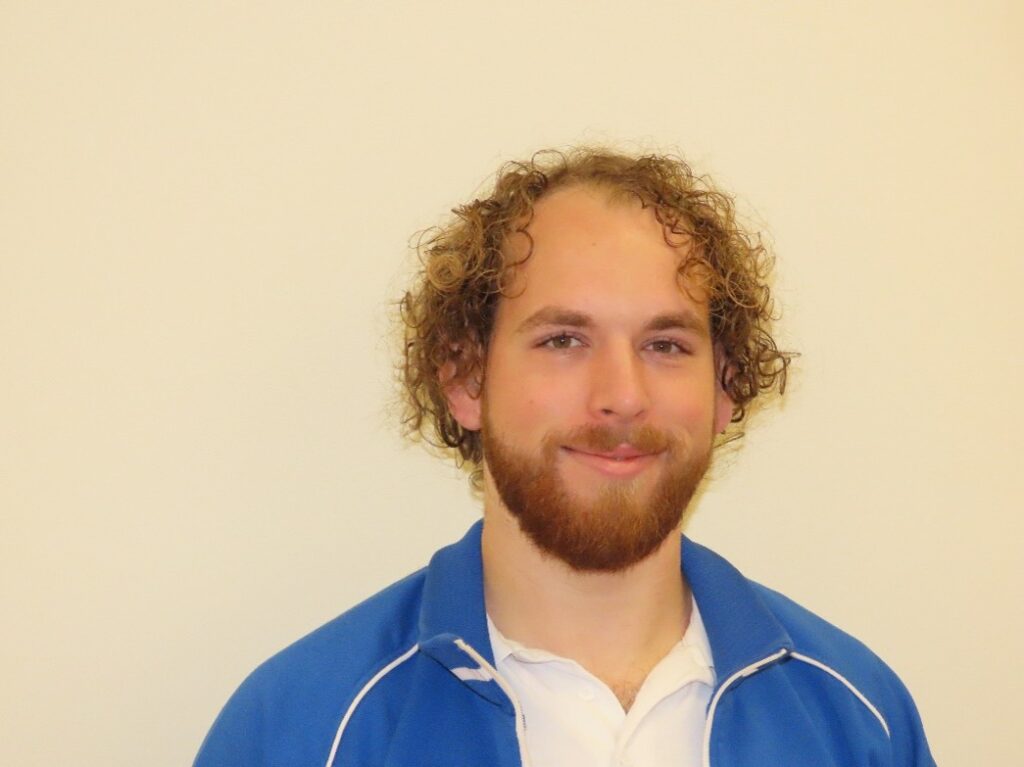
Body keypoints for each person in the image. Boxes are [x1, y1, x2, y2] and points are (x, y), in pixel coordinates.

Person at [193, 148, 935, 766]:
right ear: (466, 379)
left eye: (666, 344)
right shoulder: (300, 729)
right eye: (564, 340)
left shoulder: (857, 719)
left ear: (725, 389)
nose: (622, 396)